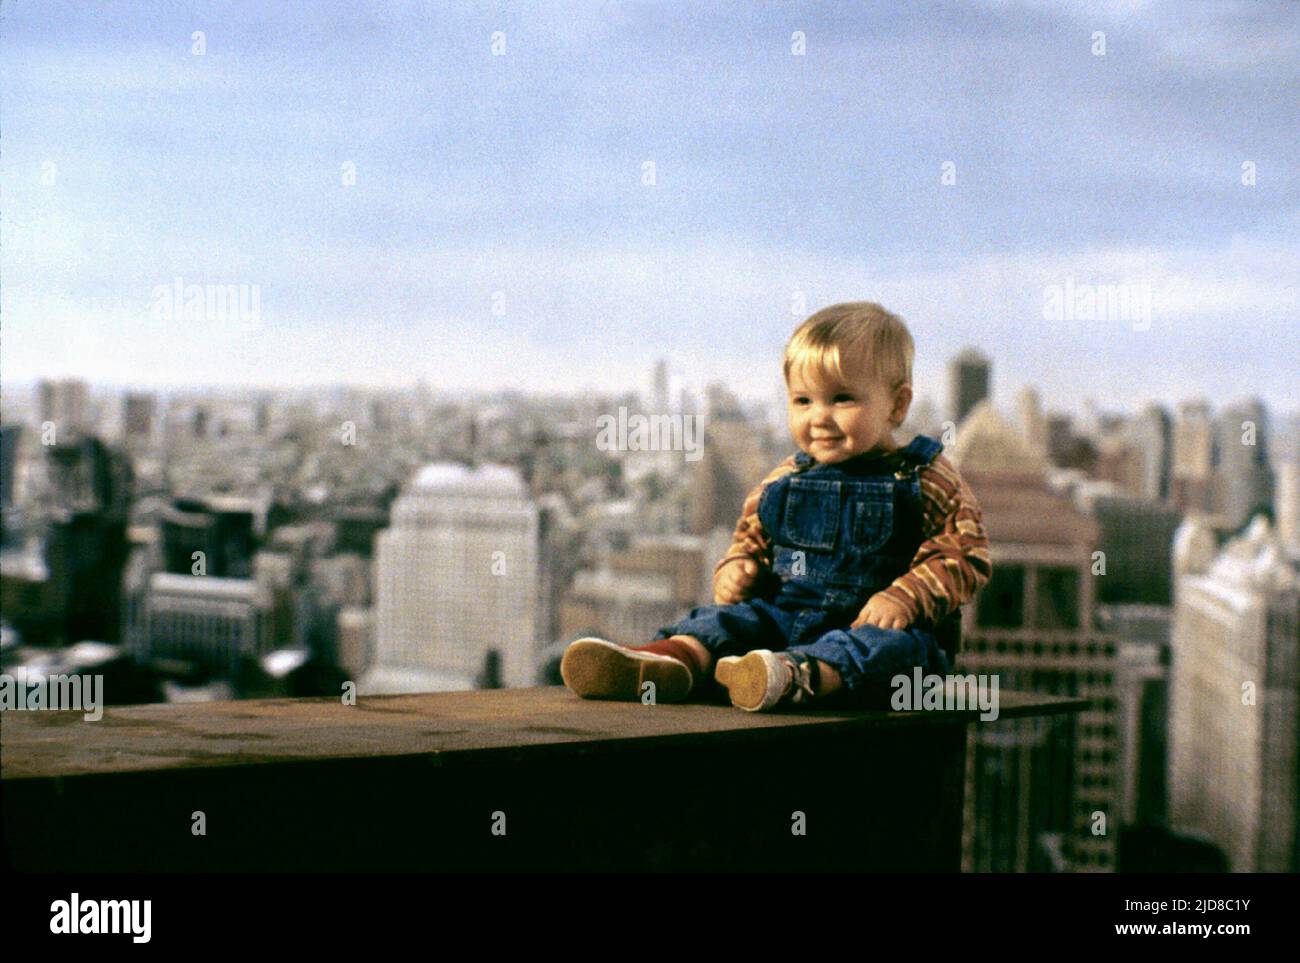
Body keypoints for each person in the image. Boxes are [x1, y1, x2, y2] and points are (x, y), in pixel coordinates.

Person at [561, 301, 992, 711]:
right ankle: (671, 660)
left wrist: (906, 597)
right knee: (727, 620)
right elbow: (752, 539)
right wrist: (737, 568)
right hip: (788, 620)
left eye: (841, 399)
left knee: (894, 652)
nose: (818, 416)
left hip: (877, 629)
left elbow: (964, 552)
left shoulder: (923, 476)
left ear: (897, 405)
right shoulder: (786, 478)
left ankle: (798, 677)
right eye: (803, 401)